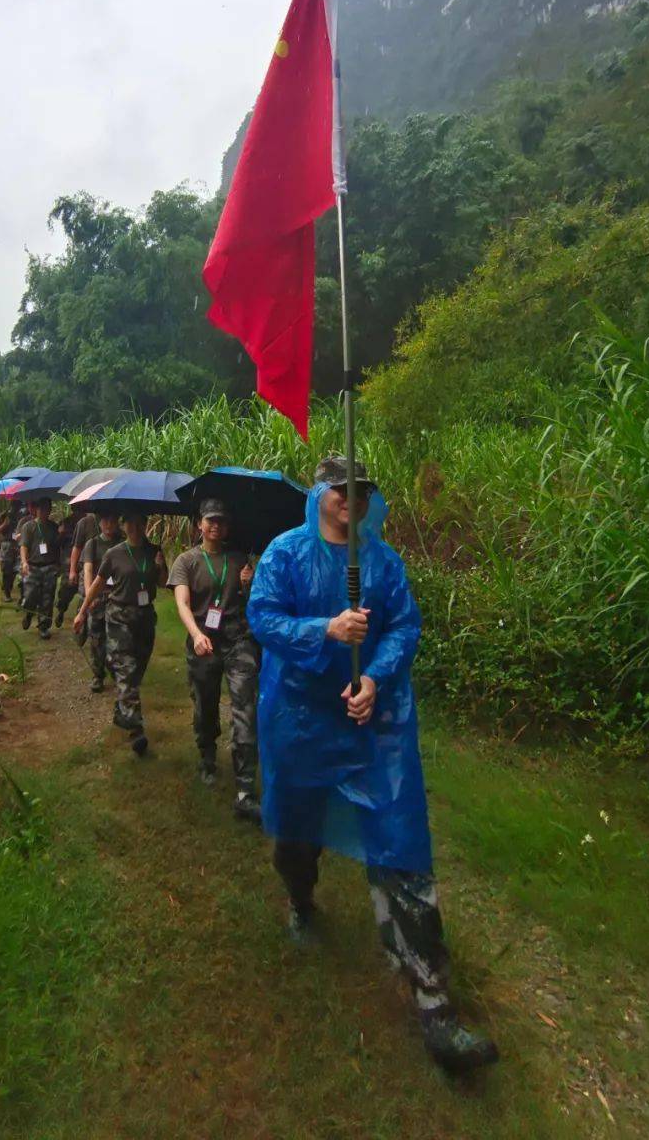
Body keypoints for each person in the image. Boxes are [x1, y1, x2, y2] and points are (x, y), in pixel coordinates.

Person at [246, 455, 499, 1076]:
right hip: (300, 724)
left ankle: (436, 1010)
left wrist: (377, 680)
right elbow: (263, 617)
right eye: (339, 490)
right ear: (320, 493)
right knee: (295, 837)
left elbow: (403, 629)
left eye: (362, 491)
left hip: (370, 732)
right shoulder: (284, 552)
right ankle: (301, 900)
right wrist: (324, 629)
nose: (350, 500)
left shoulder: (383, 563)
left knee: (401, 849)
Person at [169, 497, 261, 823]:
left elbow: (257, 604)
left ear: (228, 527)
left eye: (221, 521)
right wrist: (195, 634)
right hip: (203, 643)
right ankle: (207, 756)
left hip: (238, 640)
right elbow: (182, 602)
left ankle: (246, 789)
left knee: (245, 709)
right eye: (210, 520)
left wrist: (250, 584)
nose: (215, 526)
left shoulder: (241, 561)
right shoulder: (187, 561)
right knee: (205, 706)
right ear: (200, 524)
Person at [74, 508, 167, 756]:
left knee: (136, 672)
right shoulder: (114, 554)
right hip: (119, 618)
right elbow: (97, 583)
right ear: (124, 526)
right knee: (125, 670)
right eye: (130, 524)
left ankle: (121, 711)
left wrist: (159, 567)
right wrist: (82, 611)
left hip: (145, 618)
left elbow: (162, 583)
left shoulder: (154, 550)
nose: (135, 528)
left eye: (139, 523)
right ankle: (136, 730)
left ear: (146, 524)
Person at [78, 511, 123, 692]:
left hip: (118, 597)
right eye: (105, 520)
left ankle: (115, 668)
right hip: (98, 595)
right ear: (100, 522)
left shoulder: (123, 543)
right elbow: (88, 570)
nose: (109, 525)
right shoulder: (93, 544)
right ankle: (98, 675)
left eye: (113, 520)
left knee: (117, 638)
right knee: (96, 637)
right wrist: (90, 596)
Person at [19, 497, 60, 638]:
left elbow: (57, 547)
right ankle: (28, 613)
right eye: (41, 509)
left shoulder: (54, 527)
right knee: (30, 595)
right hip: (33, 566)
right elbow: (24, 546)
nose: (44, 512)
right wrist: (24, 562)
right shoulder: (28, 527)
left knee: (47, 598)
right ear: (36, 510)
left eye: (47, 509)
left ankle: (44, 626)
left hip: (49, 566)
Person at [0, 502, 21, 602]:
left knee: (15, 570)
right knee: (6, 569)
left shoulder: (23, 515)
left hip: (19, 545)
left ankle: (8, 587)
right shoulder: (4, 515)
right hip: (7, 544)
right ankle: (7, 593)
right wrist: (5, 524)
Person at [68, 507, 99, 590]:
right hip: (87, 566)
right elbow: (77, 547)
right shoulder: (84, 522)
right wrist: (72, 570)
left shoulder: (113, 523)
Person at [54, 516, 77, 626]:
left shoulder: (91, 523)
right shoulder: (65, 522)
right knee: (66, 591)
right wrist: (61, 533)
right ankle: (61, 611)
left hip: (85, 561)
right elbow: (56, 544)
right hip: (68, 562)